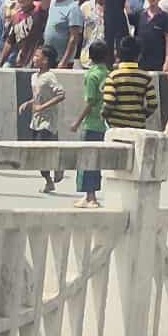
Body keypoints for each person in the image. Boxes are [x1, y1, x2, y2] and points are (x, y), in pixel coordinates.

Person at [69, 40, 112, 209]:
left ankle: (90, 196)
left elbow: (91, 102)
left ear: (90, 56)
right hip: (105, 123)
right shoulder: (108, 74)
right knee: (96, 161)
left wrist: (77, 121)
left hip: (92, 123)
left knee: (86, 160)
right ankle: (91, 195)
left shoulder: (91, 75)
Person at [21, 45, 67, 192]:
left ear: (45, 60)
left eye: (37, 56)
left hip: (47, 121)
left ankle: (58, 166)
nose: (34, 58)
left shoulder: (50, 77)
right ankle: (49, 181)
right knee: (37, 153)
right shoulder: (34, 77)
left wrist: (42, 107)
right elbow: (37, 96)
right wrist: (28, 103)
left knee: (43, 150)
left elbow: (61, 95)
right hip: (35, 120)